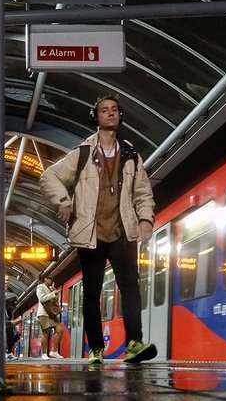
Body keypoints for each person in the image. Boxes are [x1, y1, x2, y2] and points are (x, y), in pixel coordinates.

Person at [39, 93, 157, 366]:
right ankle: (95, 349)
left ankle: (134, 344)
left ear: (119, 115)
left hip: (122, 231)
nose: (111, 113)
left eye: (114, 109)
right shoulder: (82, 153)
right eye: (105, 110)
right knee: (91, 294)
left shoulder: (130, 155)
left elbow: (143, 191)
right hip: (90, 235)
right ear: (96, 117)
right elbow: (49, 176)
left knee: (130, 287)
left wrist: (145, 219)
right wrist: (64, 201)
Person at [34, 273, 63, 359]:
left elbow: (54, 300)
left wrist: (55, 293)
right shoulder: (40, 287)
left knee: (60, 330)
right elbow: (42, 299)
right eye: (50, 278)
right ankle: (44, 354)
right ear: (45, 279)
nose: (52, 280)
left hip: (52, 313)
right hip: (44, 313)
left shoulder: (51, 288)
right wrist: (53, 293)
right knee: (46, 333)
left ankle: (54, 351)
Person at [4, 283, 21, 359]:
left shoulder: (10, 291)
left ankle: (9, 352)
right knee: (6, 334)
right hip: (6, 321)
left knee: (11, 333)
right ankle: (6, 353)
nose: (6, 282)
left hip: (8, 320)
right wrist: (11, 322)